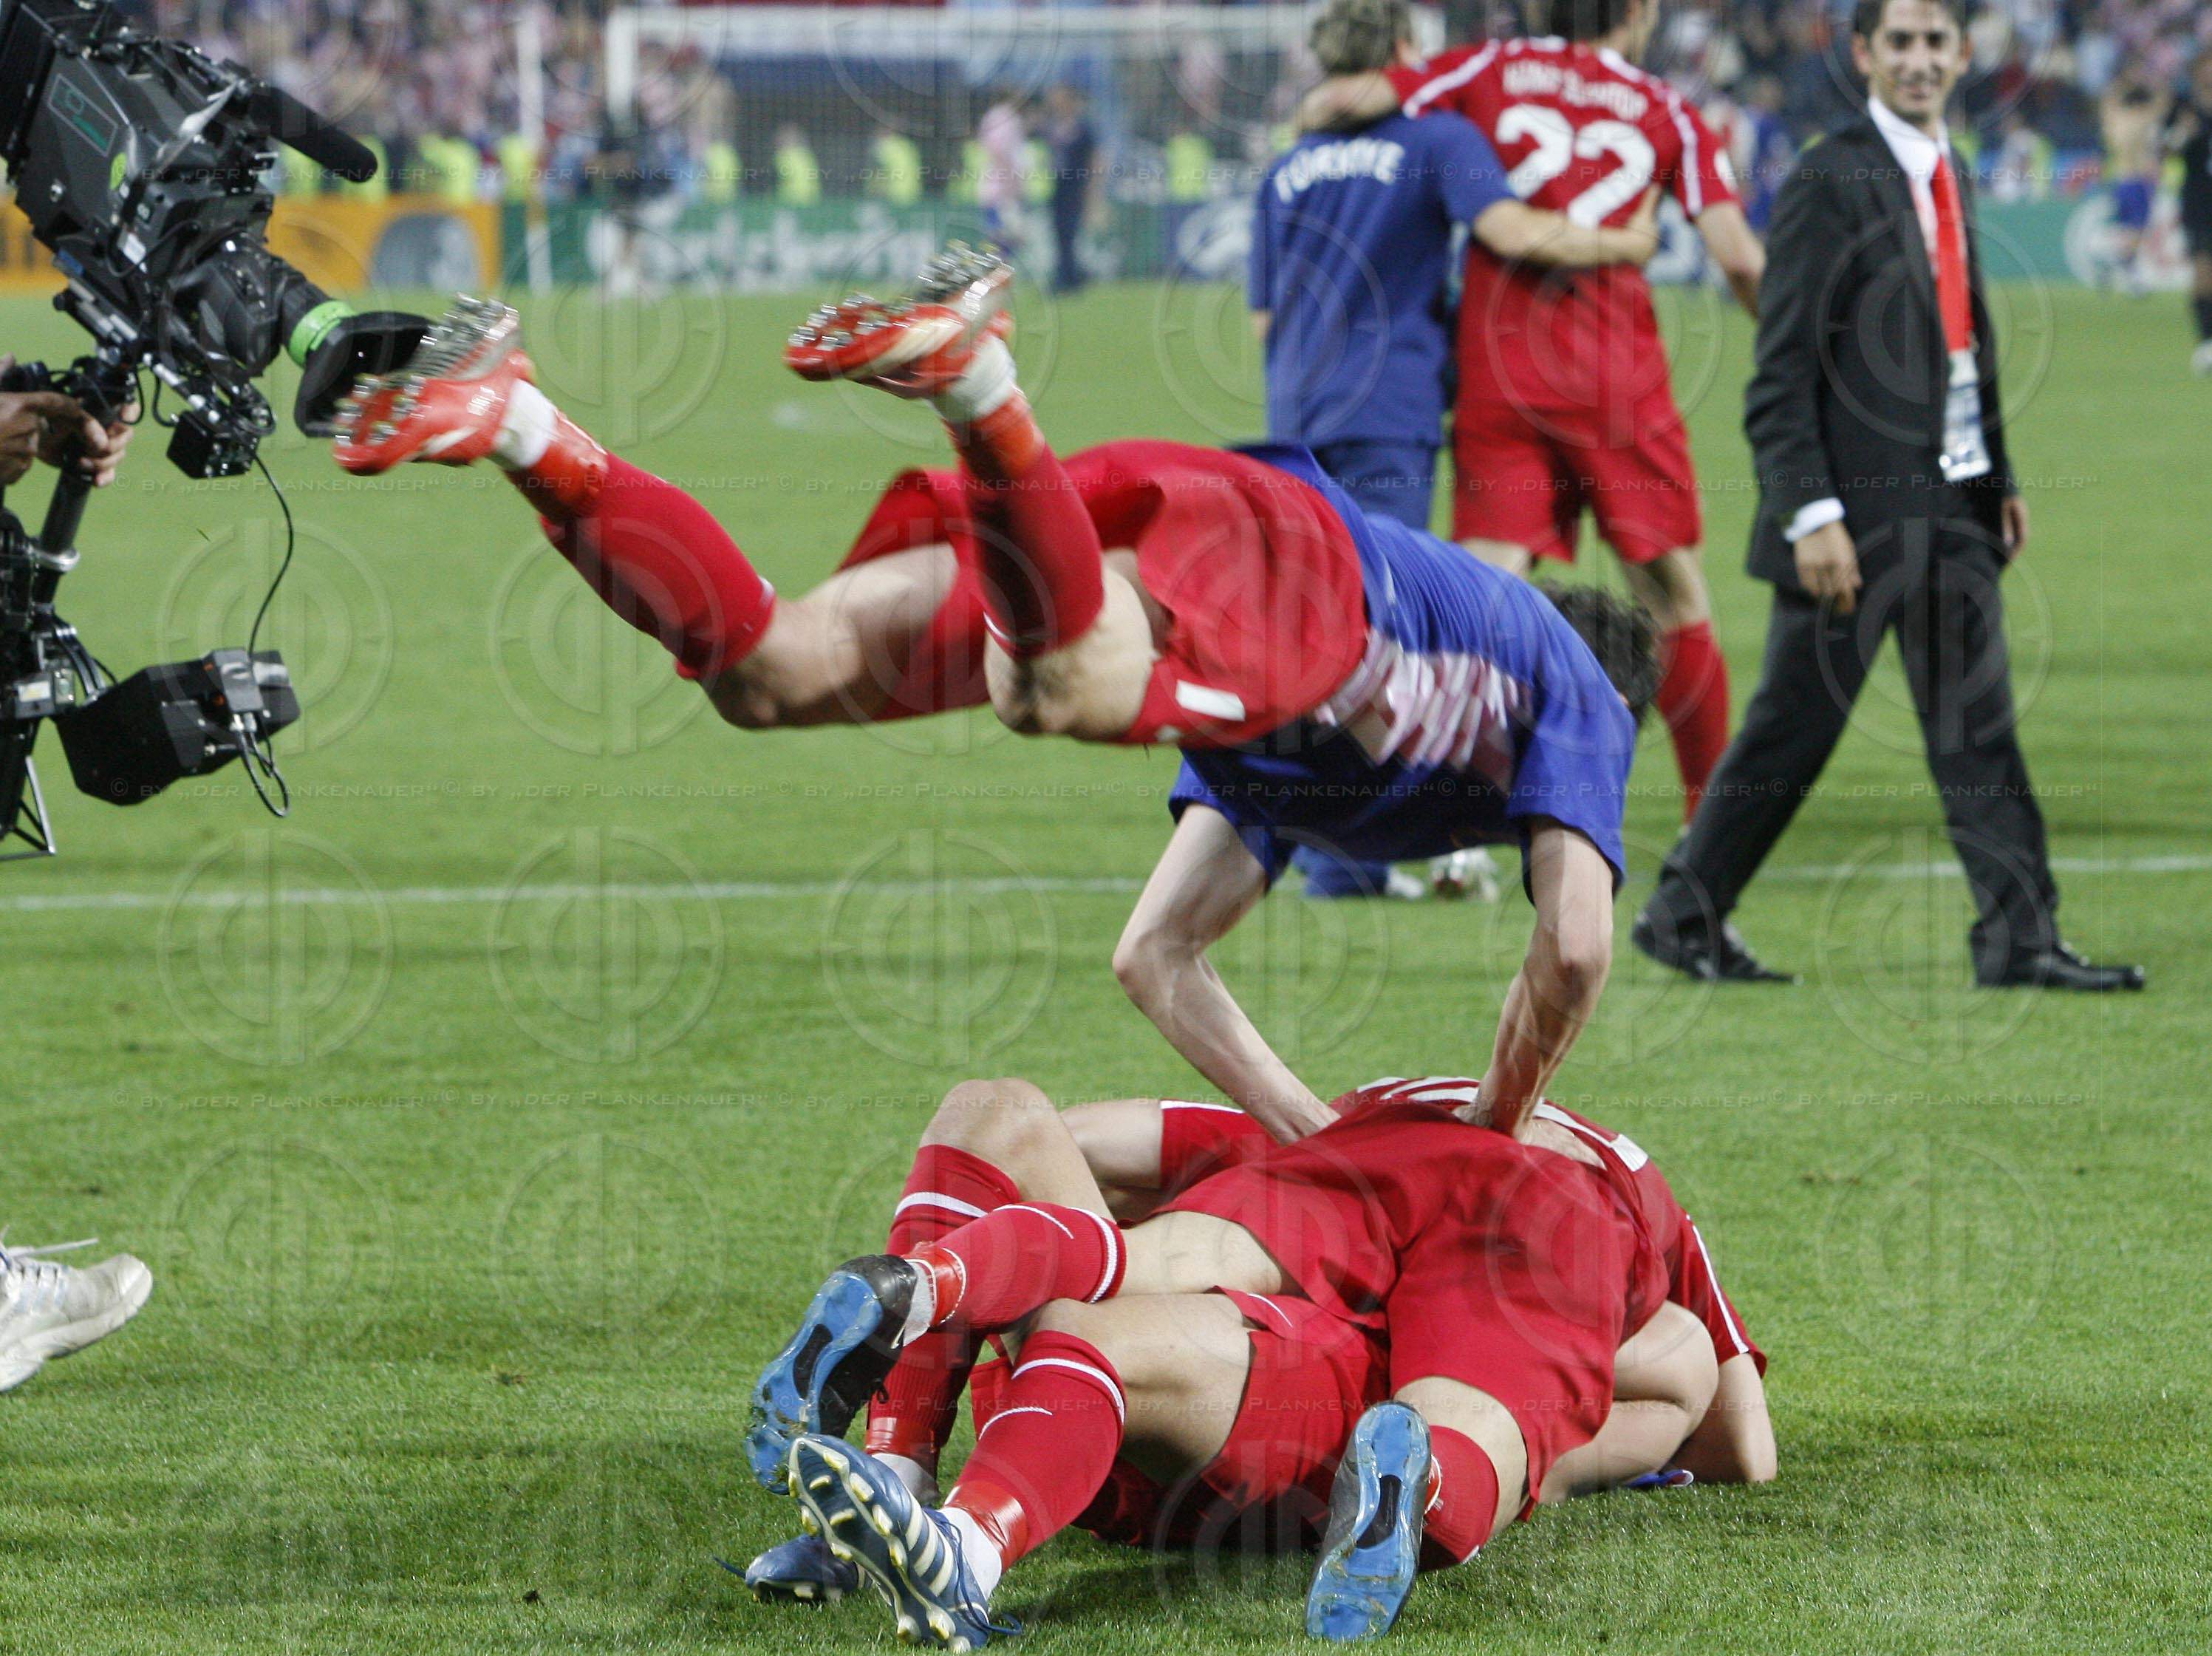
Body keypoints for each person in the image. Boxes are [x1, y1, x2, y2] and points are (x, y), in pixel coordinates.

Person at [331, 251, 1656, 1143]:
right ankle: (973, 379)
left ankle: (516, 422)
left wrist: (1312, 1141)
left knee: (776, 672)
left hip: (1153, 550)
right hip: (1291, 567)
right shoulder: (1571, 684)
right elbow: (1579, 947)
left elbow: (1155, 958)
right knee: (1054, 690)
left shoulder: (1296, 766)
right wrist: (1488, 1134)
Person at [744, 1074, 1770, 1646]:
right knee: (1653, 1377)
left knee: (1004, 1130)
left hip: (1181, 1389)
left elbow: (1075, 1135)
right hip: (1200, 1393)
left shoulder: (1336, 1129)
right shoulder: (1604, 1190)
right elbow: (1737, 1435)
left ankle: (932, 1454)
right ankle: (919, 1511)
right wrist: (1589, 1382)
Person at [1633, 0, 2144, 994]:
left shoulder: (1944, 167)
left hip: (1950, 503)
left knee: (1975, 723)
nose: (1917, 59)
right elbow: (1780, 371)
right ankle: (1681, 914)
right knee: (1793, 728)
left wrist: (1992, 477)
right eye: (1898, 42)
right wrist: (1810, 512)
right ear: (1863, 54)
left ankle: (2018, 937)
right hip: (1854, 521)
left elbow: (1960, 340)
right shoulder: (1829, 174)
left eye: (1934, 42)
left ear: (1961, 56)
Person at [1313, 0, 1766, 827]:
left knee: (1479, 600)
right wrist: (1805, 336)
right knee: (1672, 596)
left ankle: (1439, 822)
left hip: (1505, 367)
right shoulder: (1671, 110)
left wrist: (1323, 112)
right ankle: (1714, 823)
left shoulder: (1485, 70)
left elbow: (1348, 100)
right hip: (1616, 376)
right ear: (1637, 11)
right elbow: (1737, 255)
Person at [1255, 0, 1661, 900]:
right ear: (1403, 53)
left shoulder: (1284, 169)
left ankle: (1326, 847)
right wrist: (1628, 241)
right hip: (1389, 406)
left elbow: (1260, 313)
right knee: (1379, 633)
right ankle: (1349, 860)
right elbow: (1511, 231)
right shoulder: (1435, 140)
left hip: (1294, 410)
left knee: (1316, 623)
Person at [2098, 67, 2168, 297]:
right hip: (2138, 180)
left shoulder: (2115, 120)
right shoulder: (2141, 118)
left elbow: (2106, 102)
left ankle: (2124, 269)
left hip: (2119, 179)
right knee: (2138, 229)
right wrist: (2155, 81)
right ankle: (2120, 262)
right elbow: (2162, 103)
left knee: (2128, 228)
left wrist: (2122, 83)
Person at [2168, 51, 2212, 375]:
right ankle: (2207, 340)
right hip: (2198, 198)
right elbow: (2165, 146)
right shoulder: (2185, 108)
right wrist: (2182, 133)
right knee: (2202, 272)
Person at [1038, 85, 1098, 294]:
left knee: (1070, 233)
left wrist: (1092, 190)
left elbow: (1094, 159)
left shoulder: (1083, 128)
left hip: (1076, 188)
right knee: (1059, 233)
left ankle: (1069, 278)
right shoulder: (1053, 126)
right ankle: (1067, 275)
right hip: (1058, 188)